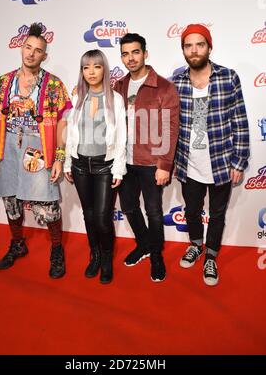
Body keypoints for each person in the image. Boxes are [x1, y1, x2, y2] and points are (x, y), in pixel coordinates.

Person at [0, 23, 72, 278]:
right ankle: (17, 244)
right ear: (21, 48)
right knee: (10, 200)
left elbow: (62, 123)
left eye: (38, 50)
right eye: (28, 47)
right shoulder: (4, 81)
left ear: (44, 55)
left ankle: (57, 249)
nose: (31, 54)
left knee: (48, 205)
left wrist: (59, 157)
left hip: (39, 149)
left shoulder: (54, 85)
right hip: (8, 147)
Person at [172, 24, 250, 286]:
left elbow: (240, 122)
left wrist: (239, 162)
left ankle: (211, 257)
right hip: (188, 163)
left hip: (220, 162)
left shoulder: (228, 78)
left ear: (209, 46)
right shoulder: (177, 82)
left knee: (217, 214)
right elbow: (170, 125)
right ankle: (196, 244)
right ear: (183, 49)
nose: (194, 51)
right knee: (192, 211)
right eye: (188, 45)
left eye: (199, 44)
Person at [114, 33, 180, 282]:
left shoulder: (163, 87)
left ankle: (156, 255)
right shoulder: (118, 87)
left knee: (153, 211)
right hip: (123, 162)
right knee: (129, 207)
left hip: (151, 163)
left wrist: (164, 165)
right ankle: (143, 244)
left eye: (135, 52)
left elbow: (171, 129)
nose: (130, 58)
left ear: (145, 53)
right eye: (125, 53)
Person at [64, 49, 126, 284]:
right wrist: (69, 162)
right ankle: (95, 254)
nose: (91, 72)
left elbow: (121, 136)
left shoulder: (116, 99)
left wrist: (118, 168)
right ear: (82, 71)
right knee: (88, 214)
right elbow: (71, 133)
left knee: (102, 217)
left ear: (104, 69)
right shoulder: (78, 97)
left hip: (104, 166)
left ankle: (107, 258)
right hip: (80, 165)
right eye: (86, 67)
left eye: (96, 66)